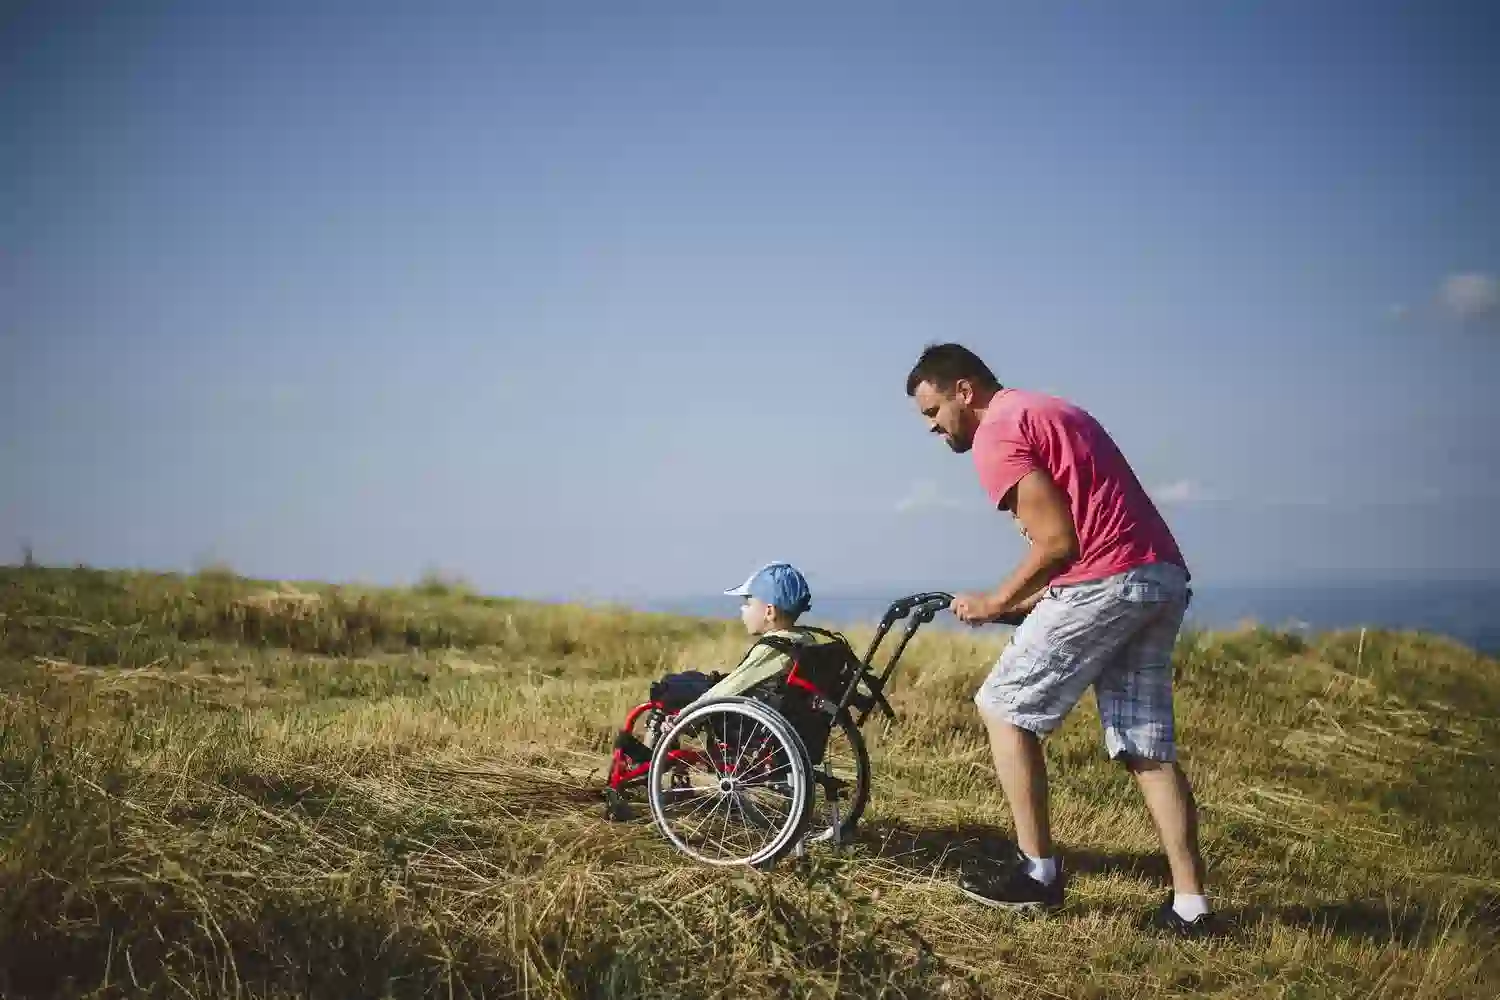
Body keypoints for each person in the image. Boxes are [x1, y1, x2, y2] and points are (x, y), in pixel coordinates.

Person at [904, 342, 1216, 937]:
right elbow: (1083, 541)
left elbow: (1058, 546)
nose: (933, 428)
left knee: (1002, 706)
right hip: (1159, 577)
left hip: (1106, 579)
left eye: (933, 412)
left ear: (964, 391)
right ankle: (1191, 906)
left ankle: (1037, 876)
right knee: (1145, 744)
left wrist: (994, 600)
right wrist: (1016, 609)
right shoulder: (1051, 410)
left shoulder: (997, 432)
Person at [616, 561, 846, 760]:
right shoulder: (806, 641)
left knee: (668, 687)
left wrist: (684, 718)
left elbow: (733, 686)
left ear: (769, 612)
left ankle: (650, 759)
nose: (742, 609)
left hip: (749, 723)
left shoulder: (776, 646)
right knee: (691, 680)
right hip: (784, 719)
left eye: (747, 602)